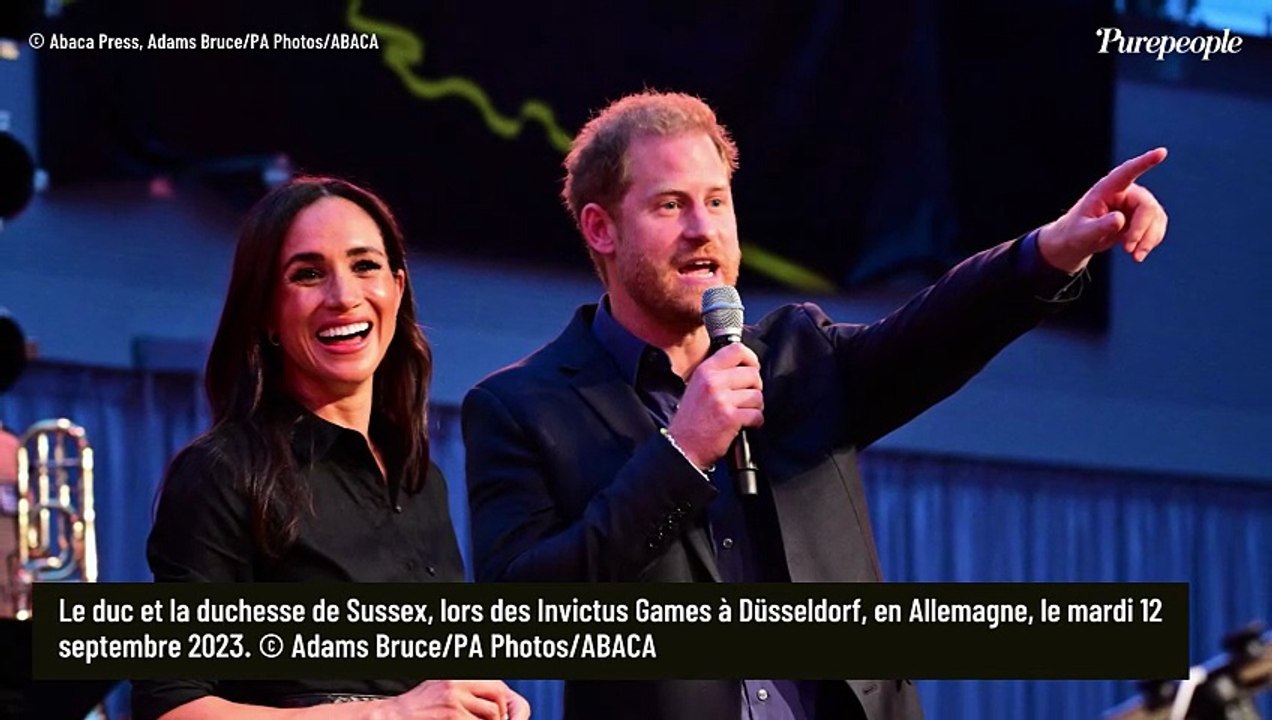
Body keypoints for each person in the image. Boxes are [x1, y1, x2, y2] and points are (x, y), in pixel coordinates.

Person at [461, 91, 1168, 720]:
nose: (703, 230)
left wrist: (1047, 253)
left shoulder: (798, 358)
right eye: (669, 204)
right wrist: (679, 454)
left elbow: (934, 331)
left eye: (716, 201)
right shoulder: (523, 407)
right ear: (600, 229)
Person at [133, 177, 530, 720]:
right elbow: (169, 705)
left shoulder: (421, 481)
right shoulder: (223, 472)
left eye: (364, 266)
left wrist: (477, 692)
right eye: (308, 274)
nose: (343, 296)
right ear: (268, 313)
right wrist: (387, 713)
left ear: (396, 287)